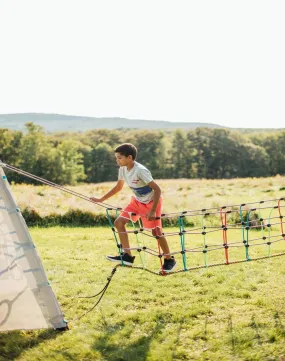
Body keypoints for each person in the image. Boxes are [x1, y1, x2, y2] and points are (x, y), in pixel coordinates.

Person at [90, 143, 176, 273]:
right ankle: (127, 256)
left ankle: (169, 260)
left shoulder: (140, 170)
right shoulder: (122, 170)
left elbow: (157, 189)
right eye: (116, 158)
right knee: (119, 222)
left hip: (152, 203)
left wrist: (152, 210)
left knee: (156, 232)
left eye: (119, 158)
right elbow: (118, 187)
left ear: (129, 157)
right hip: (136, 202)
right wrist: (101, 199)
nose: (117, 160)